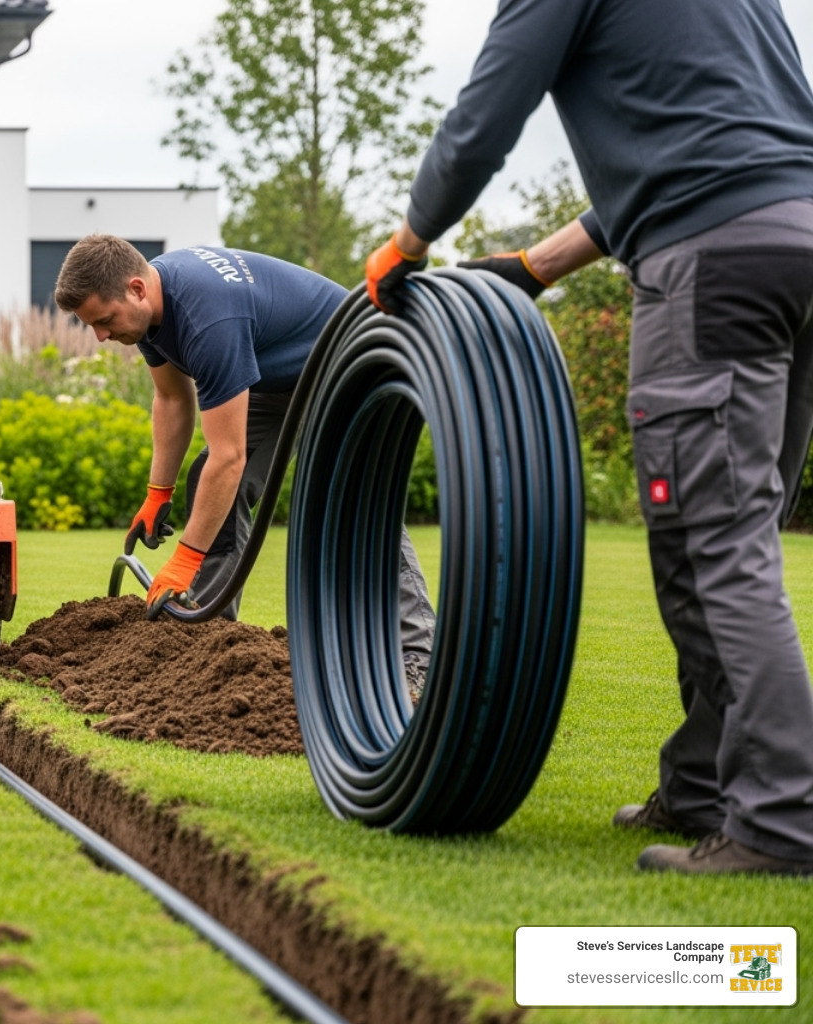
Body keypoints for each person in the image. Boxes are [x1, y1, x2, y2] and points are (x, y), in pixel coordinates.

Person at [364, 0, 813, 875]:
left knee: (716, 544)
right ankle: (703, 789)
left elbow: (485, 119)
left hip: (710, 264)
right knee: (713, 539)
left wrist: (409, 240)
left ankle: (784, 822)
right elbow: (713, 144)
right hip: (795, 242)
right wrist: (537, 266)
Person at [55, 235, 436, 687]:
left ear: (136, 288)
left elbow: (230, 456)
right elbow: (173, 398)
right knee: (208, 481)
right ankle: (210, 637)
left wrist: (183, 561)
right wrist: (159, 493)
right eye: (92, 326)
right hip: (283, 379)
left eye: (104, 320)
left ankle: (419, 657)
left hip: (354, 361)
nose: (100, 336)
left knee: (357, 494)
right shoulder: (152, 308)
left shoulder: (207, 317)